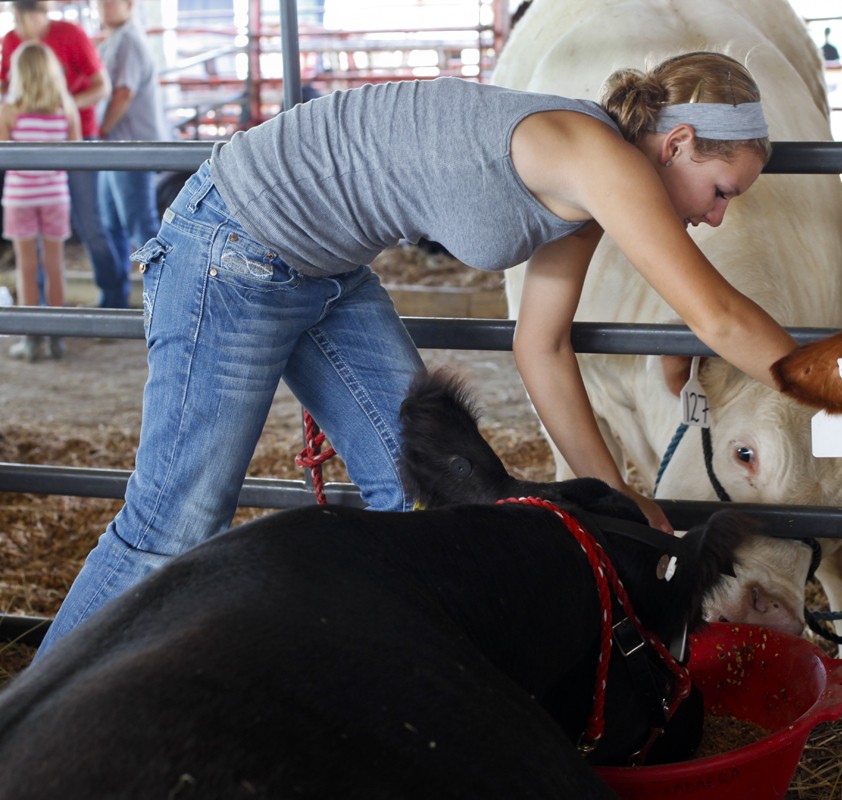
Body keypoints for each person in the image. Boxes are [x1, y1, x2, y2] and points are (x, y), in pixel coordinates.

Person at [34, 51, 801, 657]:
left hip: (327, 271)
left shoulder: (591, 191)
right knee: (176, 520)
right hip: (234, 245)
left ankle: (408, 691)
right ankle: (33, 729)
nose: (719, 216)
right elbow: (722, 318)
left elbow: (542, 348)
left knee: (432, 499)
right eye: (722, 189)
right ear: (676, 143)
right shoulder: (599, 155)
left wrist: (615, 499)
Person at [1, 0, 128, 310]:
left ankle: (113, 301)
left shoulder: (70, 34)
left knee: (90, 224)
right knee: (46, 245)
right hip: (45, 137)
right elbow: (6, 86)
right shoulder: (11, 41)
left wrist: (57, 106)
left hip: (76, 136)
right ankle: (44, 314)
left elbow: (102, 87)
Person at [1, 41, 81, 361]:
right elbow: (77, 153)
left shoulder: (8, 110)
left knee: (27, 266)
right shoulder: (65, 107)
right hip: (55, 194)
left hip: (20, 196)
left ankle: (31, 338)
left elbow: (6, 156)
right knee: (54, 266)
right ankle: (58, 337)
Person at [95, 0, 168, 269]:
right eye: (102, 2)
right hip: (116, 146)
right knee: (113, 222)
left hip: (129, 146)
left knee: (139, 225)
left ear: (129, 5)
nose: (105, 7)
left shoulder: (128, 40)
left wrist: (100, 129)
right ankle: (116, 300)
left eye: (112, 2)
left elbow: (124, 93)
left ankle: (161, 297)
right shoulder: (116, 40)